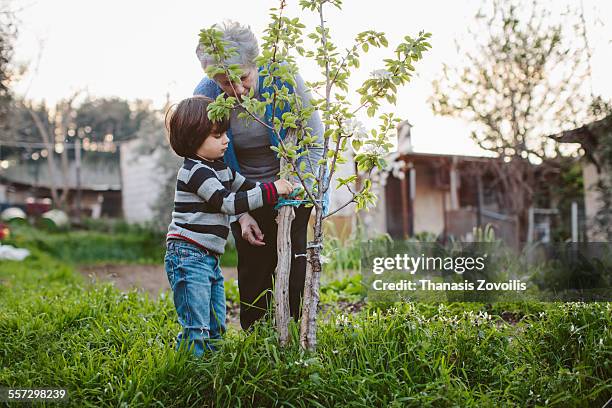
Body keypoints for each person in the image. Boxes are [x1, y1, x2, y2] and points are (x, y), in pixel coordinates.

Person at [194, 21, 328, 330]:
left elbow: (314, 139)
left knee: (292, 263)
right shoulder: (205, 96)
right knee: (253, 267)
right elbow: (211, 161)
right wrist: (241, 213)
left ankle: (291, 331)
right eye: (225, 83)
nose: (237, 90)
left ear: (255, 64)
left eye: (242, 78)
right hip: (244, 191)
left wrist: (296, 191)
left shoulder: (284, 78)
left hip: (292, 184)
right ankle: (255, 339)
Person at [164, 95, 293, 356]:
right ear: (192, 138)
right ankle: (190, 372)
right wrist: (272, 190)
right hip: (187, 255)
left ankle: (212, 366)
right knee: (197, 325)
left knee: (216, 323)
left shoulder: (220, 168)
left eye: (225, 132)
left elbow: (248, 187)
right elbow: (228, 203)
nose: (226, 140)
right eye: (217, 135)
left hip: (207, 257)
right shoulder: (195, 171)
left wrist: (283, 189)